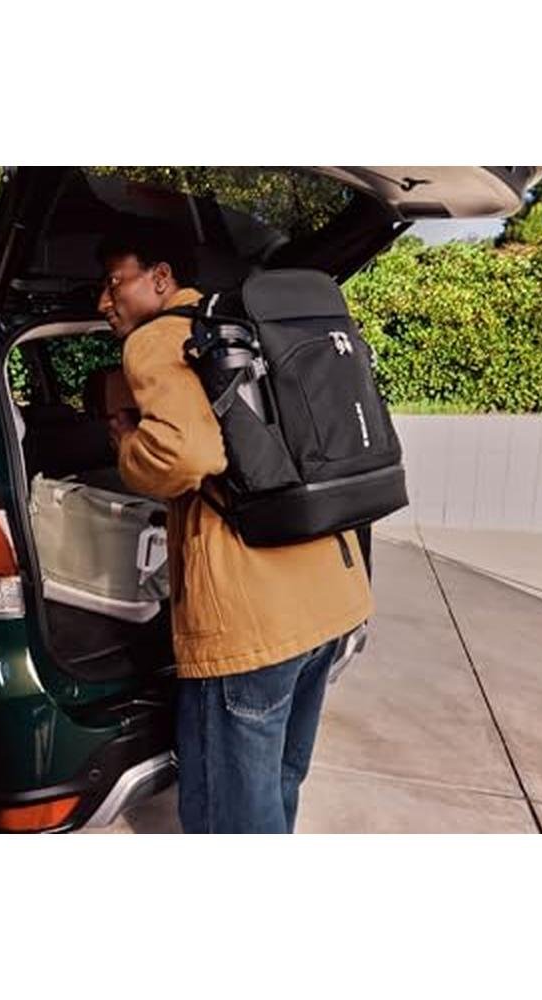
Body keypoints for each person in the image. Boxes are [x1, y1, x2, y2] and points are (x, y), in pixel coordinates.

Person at [97, 218, 374, 834]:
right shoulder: (247, 320)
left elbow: (187, 454)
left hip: (251, 621)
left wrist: (128, 445)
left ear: (161, 278)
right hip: (329, 596)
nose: (103, 301)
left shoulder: (154, 339)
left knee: (231, 817)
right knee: (276, 786)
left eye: (114, 282)